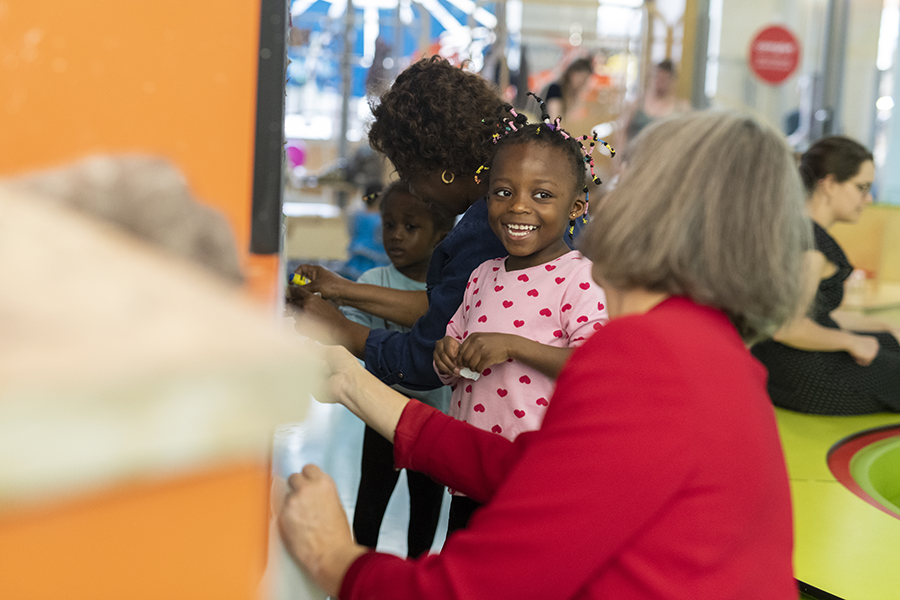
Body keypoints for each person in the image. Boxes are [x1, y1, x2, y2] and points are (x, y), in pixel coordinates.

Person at [278, 110, 807, 600]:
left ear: (653, 215)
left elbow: (478, 587)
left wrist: (335, 559)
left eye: (624, 183)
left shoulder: (649, 358)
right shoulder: (711, 356)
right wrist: (349, 378)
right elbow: (525, 468)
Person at [290, 56, 511, 390]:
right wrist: (341, 289)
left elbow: (425, 357)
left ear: (443, 168)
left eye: (410, 177)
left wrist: (343, 330)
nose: (412, 190)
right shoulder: (507, 201)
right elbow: (447, 306)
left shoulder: (486, 230)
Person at [434, 118, 609, 533]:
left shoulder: (581, 279)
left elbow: (595, 366)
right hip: (472, 471)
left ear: (576, 207)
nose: (518, 206)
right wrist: (446, 357)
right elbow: (454, 345)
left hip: (536, 480)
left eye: (542, 194)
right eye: (503, 192)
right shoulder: (482, 274)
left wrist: (514, 346)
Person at [292, 181, 455, 557]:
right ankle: (356, 574)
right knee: (369, 506)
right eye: (388, 224)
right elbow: (341, 332)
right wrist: (312, 313)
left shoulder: (448, 292)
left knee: (426, 511)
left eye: (410, 227)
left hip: (434, 422)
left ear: (440, 236)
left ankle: (417, 577)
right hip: (379, 417)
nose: (395, 235)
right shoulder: (370, 283)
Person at [752, 136, 900, 414]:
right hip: (806, 377)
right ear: (830, 184)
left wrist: (884, 327)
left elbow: (815, 315)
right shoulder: (812, 249)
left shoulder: (790, 229)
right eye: (861, 188)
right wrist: (853, 341)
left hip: (776, 367)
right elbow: (789, 327)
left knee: (892, 342)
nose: (868, 199)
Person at [618, 59, 690, 153]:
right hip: (634, 158)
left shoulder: (681, 108)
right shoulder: (637, 103)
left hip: (663, 159)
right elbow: (622, 133)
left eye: (664, 79)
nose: (660, 82)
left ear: (672, 80)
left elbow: (686, 139)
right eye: (658, 77)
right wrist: (617, 158)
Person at [544, 57, 593, 123]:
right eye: (582, 78)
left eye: (586, 80)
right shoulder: (555, 89)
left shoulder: (573, 93)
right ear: (572, 74)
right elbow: (555, 121)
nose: (583, 83)